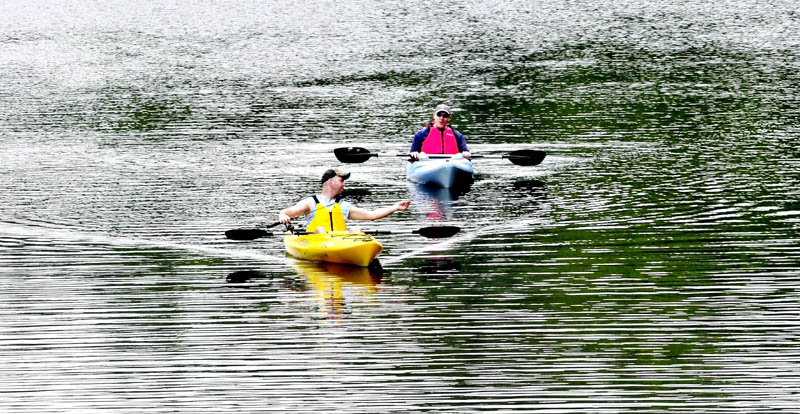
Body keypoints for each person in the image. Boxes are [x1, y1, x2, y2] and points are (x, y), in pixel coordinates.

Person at [278, 168, 411, 233]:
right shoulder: (311, 202)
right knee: (321, 230)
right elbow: (287, 212)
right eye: (341, 180)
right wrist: (283, 215)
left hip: (338, 244)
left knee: (357, 229)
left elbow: (371, 215)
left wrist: (395, 207)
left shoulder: (343, 206)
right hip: (316, 241)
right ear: (330, 182)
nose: (344, 184)